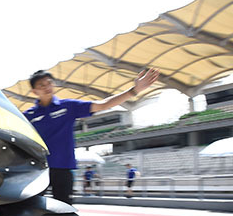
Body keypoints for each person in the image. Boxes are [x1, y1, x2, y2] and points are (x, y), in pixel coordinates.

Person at [24, 68, 160, 205]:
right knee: (28, 209)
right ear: (34, 91)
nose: (47, 87)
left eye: (49, 83)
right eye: (41, 85)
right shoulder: (28, 116)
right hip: (38, 170)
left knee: (64, 212)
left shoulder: (67, 107)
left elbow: (103, 105)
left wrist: (134, 90)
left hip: (63, 169)